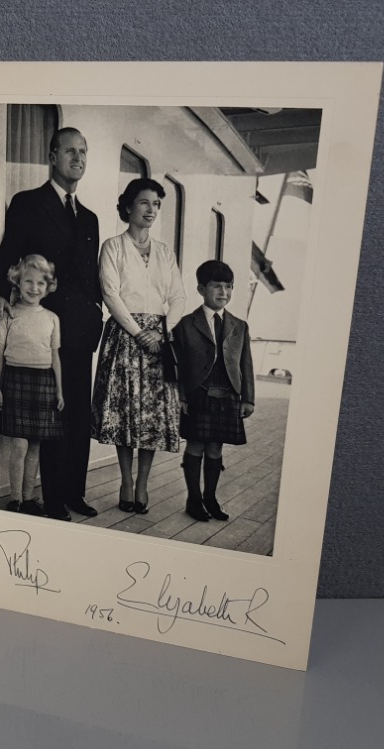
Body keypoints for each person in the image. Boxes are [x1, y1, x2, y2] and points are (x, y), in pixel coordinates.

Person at [0, 127, 103, 521]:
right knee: (53, 414)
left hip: (81, 328)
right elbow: (11, 248)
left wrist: (97, 313)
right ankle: (52, 500)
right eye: (70, 151)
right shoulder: (28, 202)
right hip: (45, 327)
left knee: (77, 413)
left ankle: (74, 491)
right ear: (52, 157)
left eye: (83, 152)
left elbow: (89, 276)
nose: (78, 158)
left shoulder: (89, 218)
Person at [91, 178, 185, 514]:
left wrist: (162, 332)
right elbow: (110, 293)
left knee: (152, 417)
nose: (151, 210)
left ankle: (143, 485)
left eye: (156, 204)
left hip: (159, 341)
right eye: (144, 202)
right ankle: (126, 482)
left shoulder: (164, 252)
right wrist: (137, 332)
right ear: (129, 206)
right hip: (125, 336)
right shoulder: (113, 246)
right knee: (125, 411)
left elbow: (177, 296)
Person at [172, 260, 255, 522]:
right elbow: (179, 366)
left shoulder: (239, 326)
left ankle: (211, 498)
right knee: (196, 445)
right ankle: (193, 499)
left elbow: (246, 363)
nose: (223, 292)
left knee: (216, 448)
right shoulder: (185, 324)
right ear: (201, 289)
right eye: (216, 286)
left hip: (228, 394)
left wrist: (248, 398)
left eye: (228, 287)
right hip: (199, 394)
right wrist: (182, 396)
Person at [0, 255, 65, 514]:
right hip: (15, 379)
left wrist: (59, 390)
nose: (34, 288)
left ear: (48, 287)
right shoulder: (8, 315)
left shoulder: (52, 318)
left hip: (43, 382)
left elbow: (55, 356)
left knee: (35, 444)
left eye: (40, 283)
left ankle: (29, 497)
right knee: (20, 444)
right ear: (17, 282)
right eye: (28, 281)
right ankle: (15, 498)